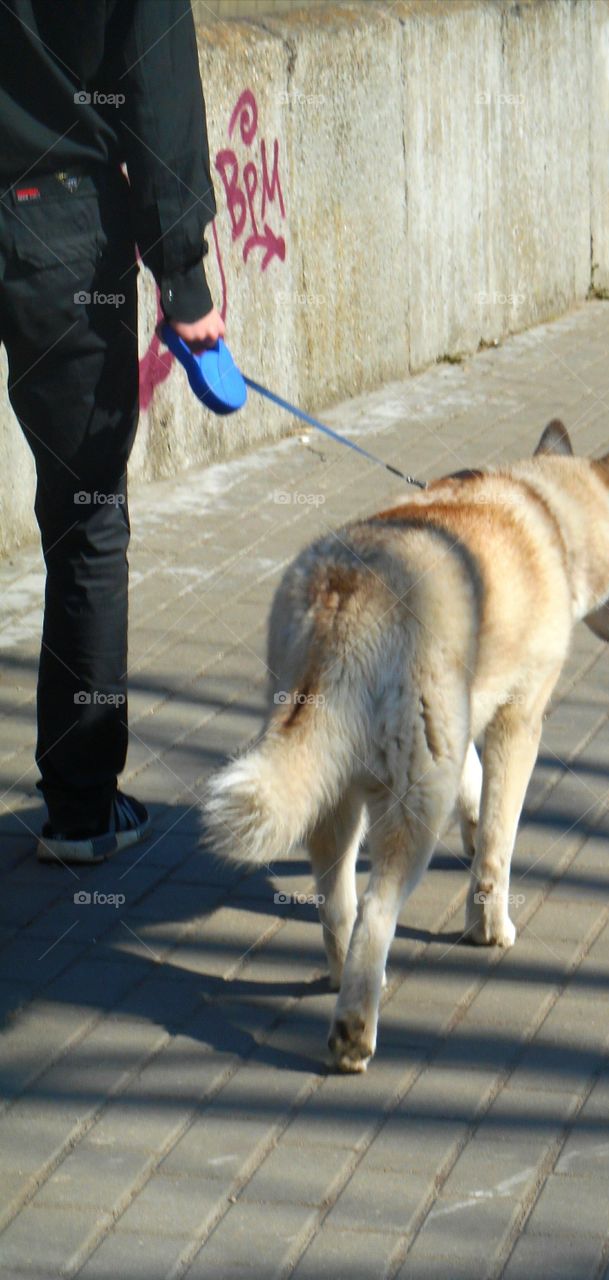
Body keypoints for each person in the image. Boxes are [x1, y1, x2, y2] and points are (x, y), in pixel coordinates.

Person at [0, 1, 223, 863]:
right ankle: (82, 811)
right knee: (86, 518)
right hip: (64, 224)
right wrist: (186, 280)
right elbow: (160, 94)